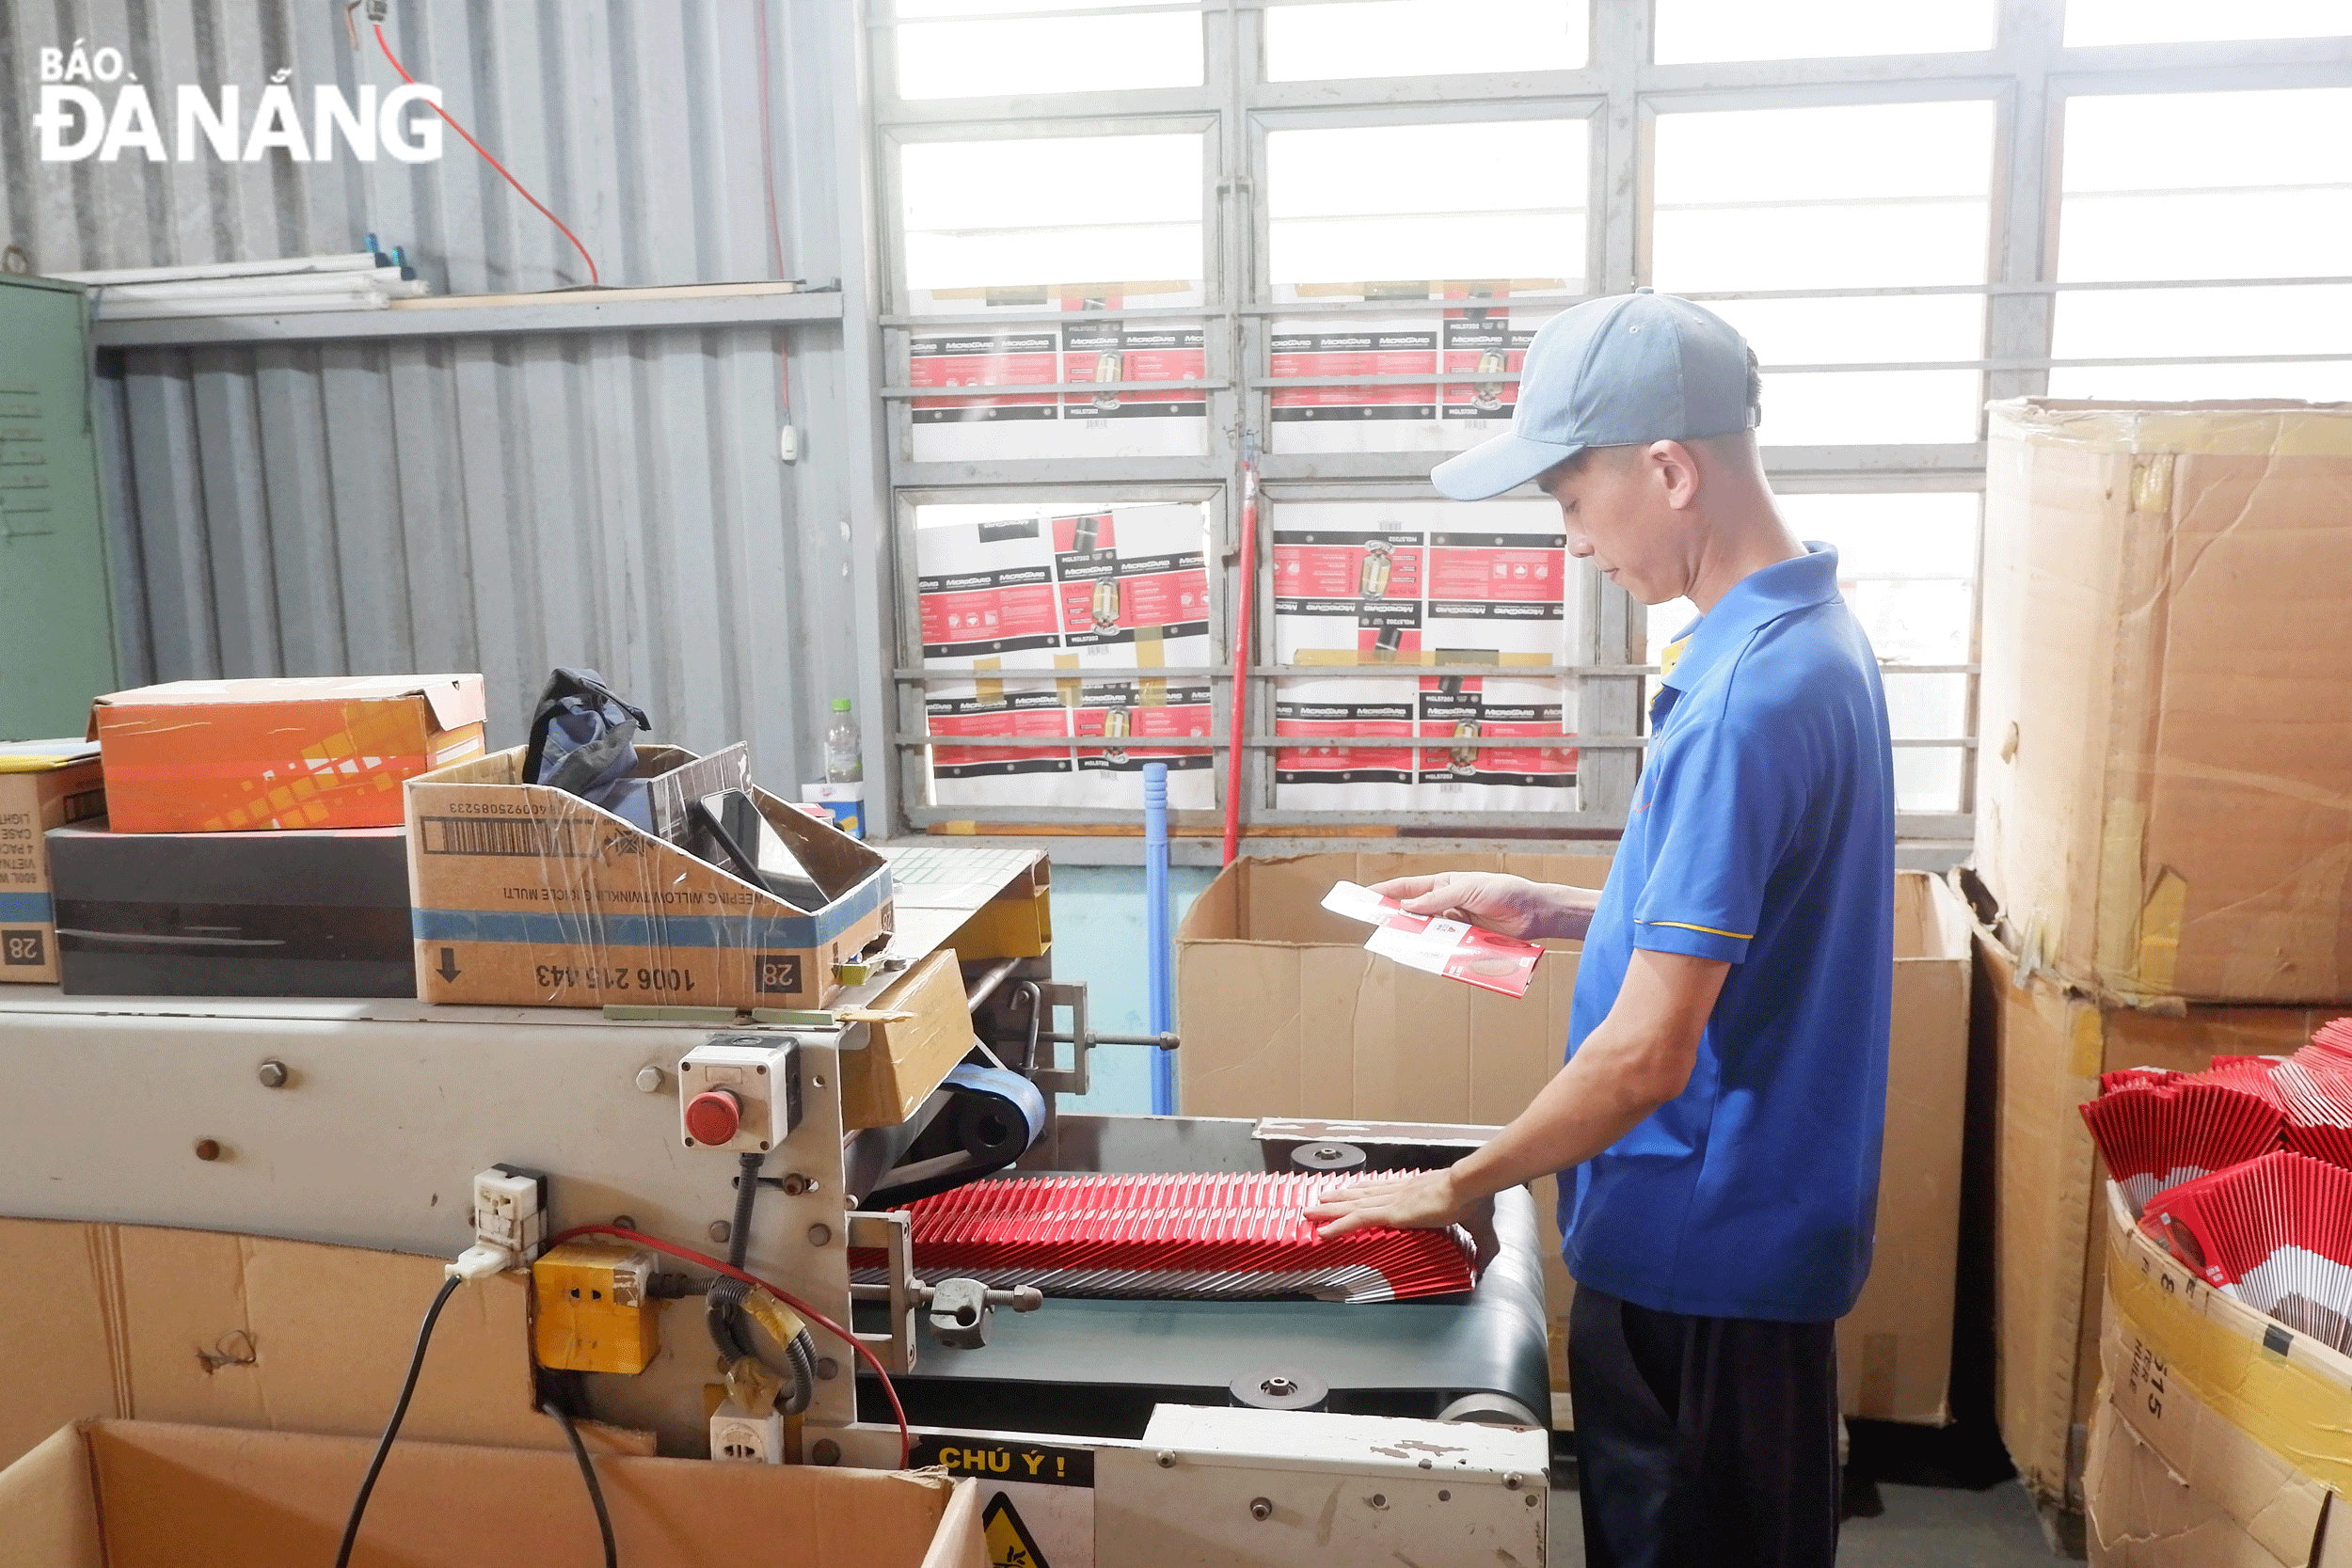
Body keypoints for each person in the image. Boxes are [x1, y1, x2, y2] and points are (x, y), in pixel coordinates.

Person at [1306, 290, 1895, 1568]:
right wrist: (1552, 907)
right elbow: (1750, 922)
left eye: (1573, 501)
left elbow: (1648, 1056)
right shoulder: (1813, 642)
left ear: (1669, 467)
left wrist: (1462, 1184)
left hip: (1701, 1253)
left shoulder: (1742, 700)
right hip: (1756, 1237)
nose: (1574, 541)